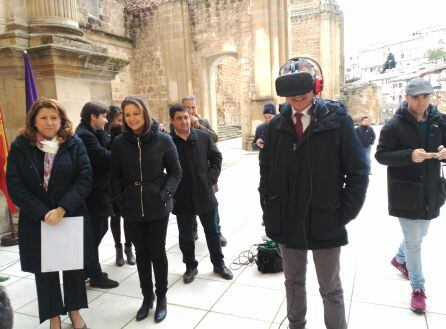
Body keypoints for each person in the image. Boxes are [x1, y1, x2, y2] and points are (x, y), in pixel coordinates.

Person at [259, 58, 369, 329]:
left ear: (317, 84)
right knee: (293, 281)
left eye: (304, 83)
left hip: (326, 218)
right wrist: (270, 208)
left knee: (330, 287)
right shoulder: (274, 127)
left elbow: (358, 171)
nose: (298, 92)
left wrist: (343, 213)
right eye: (291, 84)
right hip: (287, 219)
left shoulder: (337, 119)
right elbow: (266, 173)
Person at [6, 98, 92, 329]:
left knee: (73, 269)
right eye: (43, 117)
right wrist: (45, 213)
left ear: (61, 120)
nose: (49, 122)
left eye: (54, 117)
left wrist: (62, 208)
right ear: (34, 120)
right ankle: (53, 316)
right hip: (37, 220)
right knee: (45, 271)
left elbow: (84, 179)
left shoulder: (74, 144)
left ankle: (74, 312)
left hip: (69, 216)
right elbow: (15, 184)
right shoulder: (21, 146)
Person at [375, 77, 446, 313]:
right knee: (414, 242)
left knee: (421, 233)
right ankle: (418, 289)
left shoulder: (440, 121)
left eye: (426, 96)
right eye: (416, 97)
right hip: (405, 192)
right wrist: (409, 155)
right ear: (406, 97)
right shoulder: (393, 126)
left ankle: (399, 258)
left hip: (430, 191)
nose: (422, 101)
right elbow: (381, 155)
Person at [111, 96, 182, 323]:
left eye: (136, 113)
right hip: (131, 208)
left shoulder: (162, 140)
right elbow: (114, 176)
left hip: (157, 207)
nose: (132, 119)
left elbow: (175, 172)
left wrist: (165, 194)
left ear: (145, 113)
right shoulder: (119, 143)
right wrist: (120, 199)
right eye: (127, 114)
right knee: (141, 255)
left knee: (157, 253)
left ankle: (161, 297)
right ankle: (147, 296)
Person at [169, 103, 233, 284]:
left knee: (213, 232)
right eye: (179, 118)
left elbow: (216, 157)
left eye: (186, 117)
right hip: (182, 197)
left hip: (205, 194)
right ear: (172, 121)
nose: (184, 121)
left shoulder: (203, 137)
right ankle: (190, 266)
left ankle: (219, 264)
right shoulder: (167, 141)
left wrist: (211, 178)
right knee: (186, 236)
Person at [76, 101, 119, 289]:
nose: (106, 120)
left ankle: (87, 270)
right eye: (104, 116)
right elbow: (106, 158)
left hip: (99, 191)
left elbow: (107, 145)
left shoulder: (92, 132)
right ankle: (93, 274)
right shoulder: (84, 135)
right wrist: (116, 147)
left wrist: (108, 134)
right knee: (94, 232)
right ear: (93, 117)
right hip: (93, 194)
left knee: (99, 230)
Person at [181, 96, 227, 246]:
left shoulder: (203, 122)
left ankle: (217, 231)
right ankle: (193, 230)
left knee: (211, 203)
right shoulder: (179, 122)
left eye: (193, 107)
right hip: (188, 174)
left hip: (205, 173)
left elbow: (214, 137)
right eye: (187, 107)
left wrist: (199, 126)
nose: (190, 110)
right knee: (189, 203)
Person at [106, 104, 135, 267]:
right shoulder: (105, 136)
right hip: (112, 182)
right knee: (115, 216)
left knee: (129, 217)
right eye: (118, 119)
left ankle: (129, 248)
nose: (120, 123)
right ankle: (118, 249)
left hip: (128, 180)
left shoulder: (127, 134)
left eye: (121, 119)